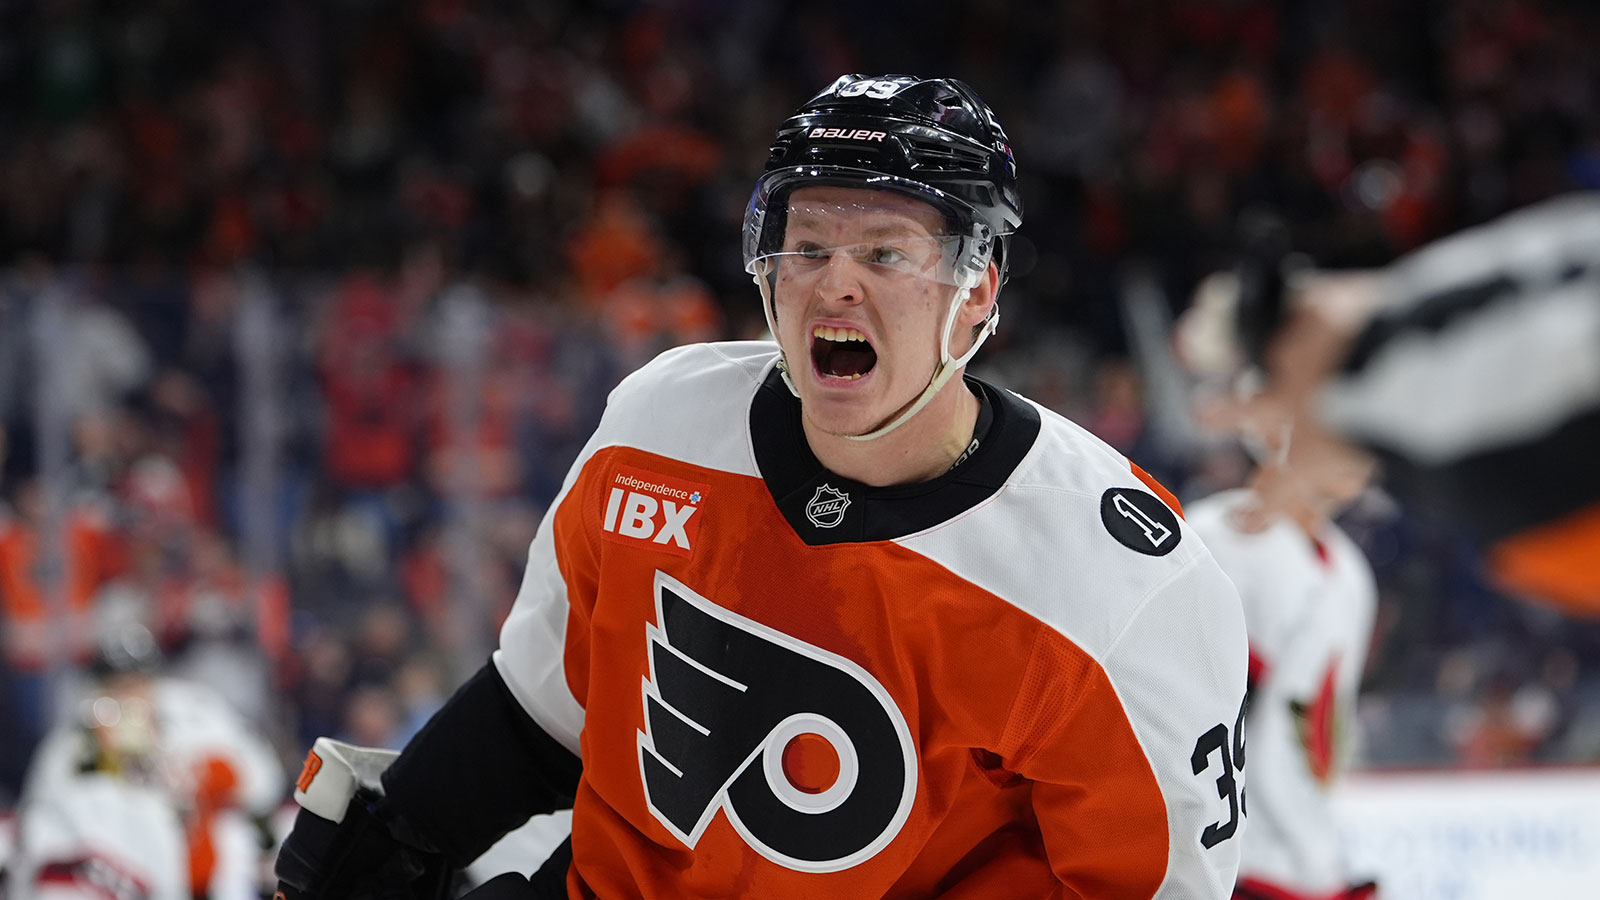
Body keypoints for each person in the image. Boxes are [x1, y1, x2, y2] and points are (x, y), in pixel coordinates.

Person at [274, 73, 1249, 900]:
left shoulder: (1121, 587)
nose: (833, 284)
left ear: (978, 289)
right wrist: (404, 836)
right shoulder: (660, 426)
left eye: (882, 253)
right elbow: (544, 715)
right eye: (807, 245)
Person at [1184, 194, 1600, 617]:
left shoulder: (1393, 371)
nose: (1319, 296)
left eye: (1303, 293)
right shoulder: (1391, 391)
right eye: (1291, 314)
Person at [1185, 455, 1380, 900]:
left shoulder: (1349, 567)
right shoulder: (1212, 531)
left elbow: (1324, 717)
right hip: (1224, 851)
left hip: (1308, 855)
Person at [7, 624, 285, 900]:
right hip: (121, 877)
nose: (128, 694)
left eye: (136, 681)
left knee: (233, 835)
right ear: (97, 687)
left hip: (213, 873)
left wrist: (211, 778)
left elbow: (266, 781)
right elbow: (38, 825)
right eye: (116, 684)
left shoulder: (197, 714)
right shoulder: (72, 744)